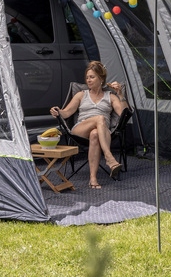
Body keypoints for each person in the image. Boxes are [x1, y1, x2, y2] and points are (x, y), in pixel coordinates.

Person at [50, 61, 128, 189]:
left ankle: (93, 178)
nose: (88, 80)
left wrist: (120, 95)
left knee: (95, 133)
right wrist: (57, 111)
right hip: (81, 129)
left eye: (92, 77)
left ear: (101, 79)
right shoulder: (81, 95)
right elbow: (67, 112)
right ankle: (109, 157)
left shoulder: (111, 96)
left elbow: (124, 114)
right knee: (100, 118)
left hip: (103, 132)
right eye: (87, 77)